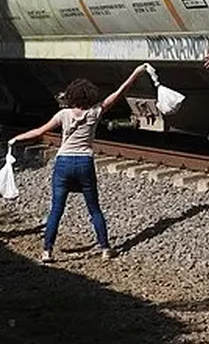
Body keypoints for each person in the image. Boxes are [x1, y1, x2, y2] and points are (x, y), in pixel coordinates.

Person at [9, 66, 148, 263]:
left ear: (72, 95)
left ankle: (47, 251)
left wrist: (16, 139)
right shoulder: (95, 112)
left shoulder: (63, 115)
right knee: (94, 209)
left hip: (63, 162)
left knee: (57, 209)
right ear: (89, 96)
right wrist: (135, 73)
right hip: (85, 162)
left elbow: (40, 131)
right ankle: (105, 248)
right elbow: (119, 93)